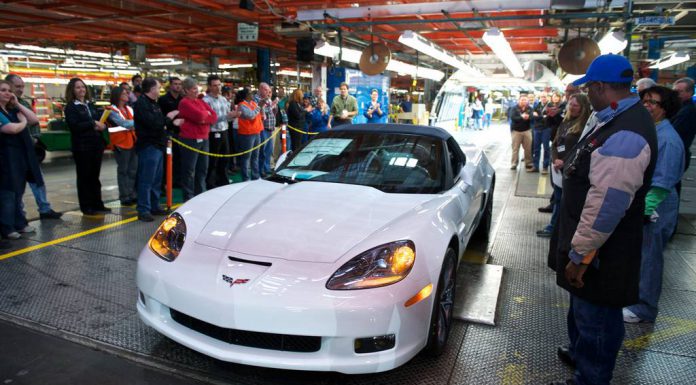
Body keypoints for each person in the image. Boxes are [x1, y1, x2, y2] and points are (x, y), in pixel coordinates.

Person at [548, 54, 657, 385]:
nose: (586, 97)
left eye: (589, 89)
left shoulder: (625, 134)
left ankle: (589, 378)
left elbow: (606, 205)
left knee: (597, 321)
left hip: (601, 254)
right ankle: (581, 355)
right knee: (586, 314)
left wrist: (580, 255)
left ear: (598, 87)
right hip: (593, 246)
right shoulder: (615, 119)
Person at [622, 86, 684, 324]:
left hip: (656, 206)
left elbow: (661, 183)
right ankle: (635, 300)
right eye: (645, 100)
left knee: (650, 258)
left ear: (665, 109)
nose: (646, 105)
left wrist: (645, 212)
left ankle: (645, 308)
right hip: (645, 203)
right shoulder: (652, 131)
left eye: (653, 103)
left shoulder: (668, 139)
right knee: (641, 256)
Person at [5, 74, 61, 219]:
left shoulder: (22, 103)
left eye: (22, 86)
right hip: (12, 152)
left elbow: (34, 122)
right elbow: (12, 128)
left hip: (28, 149)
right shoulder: (4, 108)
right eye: (17, 87)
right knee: (17, 186)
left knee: (37, 180)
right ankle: (19, 217)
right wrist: (23, 124)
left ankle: (44, 208)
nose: (21, 90)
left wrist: (35, 139)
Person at [536, 93, 590, 238]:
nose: (571, 107)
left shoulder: (585, 126)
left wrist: (564, 161)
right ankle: (554, 227)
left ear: (583, 108)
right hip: (558, 169)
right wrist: (555, 160)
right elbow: (555, 144)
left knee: (564, 202)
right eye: (570, 104)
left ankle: (556, 228)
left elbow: (580, 149)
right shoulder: (566, 122)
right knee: (559, 200)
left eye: (575, 105)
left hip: (571, 170)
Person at [133, 78, 179, 222]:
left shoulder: (154, 103)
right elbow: (154, 123)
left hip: (157, 145)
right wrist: (169, 118)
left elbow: (158, 123)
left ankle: (153, 205)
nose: (160, 90)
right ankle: (143, 209)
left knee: (156, 179)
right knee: (146, 179)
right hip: (148, 145)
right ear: (152, 89)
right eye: (158, 88)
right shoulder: (141, 104)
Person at [0, 80, 41, 239]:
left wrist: (17, 104)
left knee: (18, 192)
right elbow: (11, 128)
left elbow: (34, 119)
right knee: (7, 194)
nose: (7, 93)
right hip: (5, 158)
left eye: (9, 90)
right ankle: (7, 227)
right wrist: (22, 121)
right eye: (3, 90)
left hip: (19, 158)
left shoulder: (12, 110)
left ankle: (20, 223)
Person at [63, 77, 110, 216]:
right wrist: (93, 123)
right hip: (82, 147)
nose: (81, 89)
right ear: (72, 90)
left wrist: (102, 126)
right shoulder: (71, 107)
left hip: (96, 145)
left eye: (83, 87)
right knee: (84, 177)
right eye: (78, 87)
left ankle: (98, 203)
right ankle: (86, 206)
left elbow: (99, 121)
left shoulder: (90, 105)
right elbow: (74, 126)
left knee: (95, 176)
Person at [177, 77, 217, 201]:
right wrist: (205, 116)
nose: (196, 91)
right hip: (190, 140)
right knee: (189, 171)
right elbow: (200, 116)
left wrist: (204, 117)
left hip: (204, 138)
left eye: (196, 88)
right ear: (187, 90)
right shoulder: (184, 103)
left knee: (202, 169)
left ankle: (200, 195)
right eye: (194, 88)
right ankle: (188, 198)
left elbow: (214, 116)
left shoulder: (200, 101)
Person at [203, 75, 236, 189]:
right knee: (213, 160)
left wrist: (234, 115)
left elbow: (228, 116)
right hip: (213, 133)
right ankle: (211, 183)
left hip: (224, 131)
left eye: (219, 85)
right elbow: (209, 119)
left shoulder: (223, 99)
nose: (218, 88)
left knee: (225, 157)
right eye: (215, 85)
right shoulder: (205, 101)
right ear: (209, 87)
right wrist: (227, 116)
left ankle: (223, 180)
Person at [107, 86, 137, 206]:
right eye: (124, 92)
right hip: (120, 143)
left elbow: (130, 123)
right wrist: (138, 122)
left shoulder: (129, 109)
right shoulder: (111, 110)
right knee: (123, 171)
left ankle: (131, 194)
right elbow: (123, 123)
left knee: (132, 170)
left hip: (132, 142)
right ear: (117, 95)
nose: (127, 94)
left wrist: (134, 123)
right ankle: (124, 196)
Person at [671, 77, 696, 190]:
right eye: (674, 91)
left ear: (690, 93)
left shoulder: (687, 111)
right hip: (678, 153)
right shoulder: (681, 108)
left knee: (671, 187)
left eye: (679, 91)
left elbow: (673, 132)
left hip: (677, 154)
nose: (676, 94)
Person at [158, 77, 183, 187]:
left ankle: (177, 180)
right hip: (167, 132)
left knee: (178, 157)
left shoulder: (182, 99)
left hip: (181, 132)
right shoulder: (163, 99)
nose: (178, 86)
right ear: (170, 85)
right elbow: (160, 117)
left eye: (179, 84)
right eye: (175, 84)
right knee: (167, 158)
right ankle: (164, 182)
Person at [236, 87, 263, 181]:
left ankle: (255, 176)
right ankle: (246, 178)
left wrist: (262, 107)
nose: (253, 95)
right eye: (251, 93)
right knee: (247, 157)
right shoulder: (242, 105)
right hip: (247, 134)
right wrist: (259, 107)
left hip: (256, 132)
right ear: (246, 95)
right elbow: (250, 116)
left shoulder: (254, 103)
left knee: (255, 156)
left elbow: (260, 115)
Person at [535, 92, 564, 174]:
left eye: (544, 97)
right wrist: (542, 116)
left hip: (548, 129)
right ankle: (536, 166)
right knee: (537, 148)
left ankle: (545, 166)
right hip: (540, 128)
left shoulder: (553, 106)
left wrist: (541, 116)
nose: (543, 98)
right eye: (541, 97)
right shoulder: (537, 105)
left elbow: (549, 118)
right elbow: (534, 116)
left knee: (547, 148)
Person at [257, 82, 277, 177]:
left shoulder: (268, 100)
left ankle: (267, 168)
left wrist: (273, 106)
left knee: (269, 151)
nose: (268, 92)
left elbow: (272, 112)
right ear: (260, 89)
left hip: (270, 128)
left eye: (269, 91)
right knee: (262, 151)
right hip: (263, 128)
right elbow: (263, 112)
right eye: (266, 90)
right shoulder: (257, 99)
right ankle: (261, 170)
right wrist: (272, 105)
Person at [509, 95, 533, 170]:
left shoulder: (530, 108)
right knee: (515, 148)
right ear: (519, 100)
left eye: (525, 100)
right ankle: (514, 164)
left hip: (527, 130)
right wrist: (521, 117)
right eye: (522, 100)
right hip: (516, 131)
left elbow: (532, 117)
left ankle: (528, 163)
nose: (524, 101)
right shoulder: (514, 108)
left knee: (528, 148)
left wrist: (528, 117)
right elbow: (513, 117)